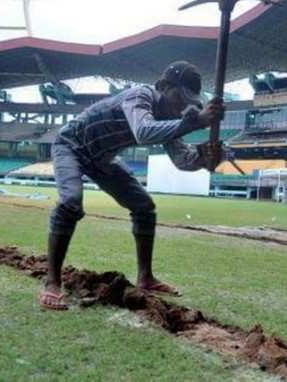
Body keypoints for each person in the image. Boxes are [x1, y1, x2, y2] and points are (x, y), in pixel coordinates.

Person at [39, 61, 224, 310]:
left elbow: (183, 160)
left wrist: (205, 158)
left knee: (144, 207)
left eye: (187, 101)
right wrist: (196, 122)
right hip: (71, 146)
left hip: (102, 158)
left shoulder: (170, 117)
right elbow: (144, 132)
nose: (181, 106)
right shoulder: (141, 95)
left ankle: (145, 278)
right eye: (179, 97)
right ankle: (52, 282)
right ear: (162, 86)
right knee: (71, 202)